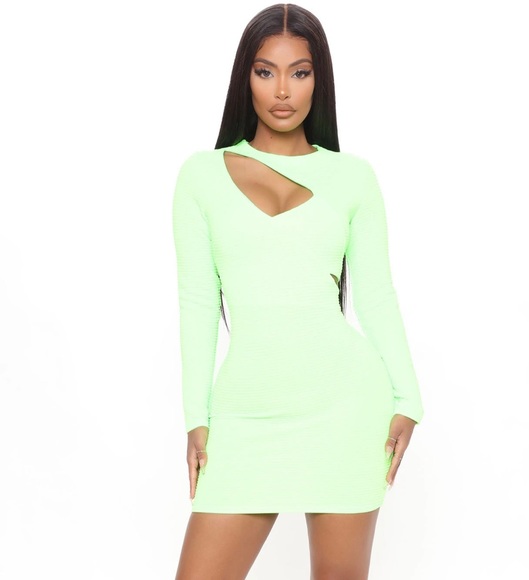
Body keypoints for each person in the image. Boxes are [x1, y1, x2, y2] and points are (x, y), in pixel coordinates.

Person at [171, 3, 425, 578]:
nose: (282, 90)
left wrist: (409, 399)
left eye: (300, 72)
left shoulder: (353, 177)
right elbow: (197, 303)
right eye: (266, 71)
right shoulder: (201, 176)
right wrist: (196, 417)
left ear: (319, 79)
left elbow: (376, 294)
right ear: (246, 78)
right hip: (245, 417)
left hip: (345, 410)